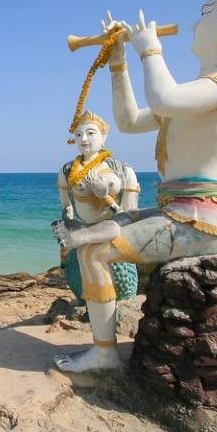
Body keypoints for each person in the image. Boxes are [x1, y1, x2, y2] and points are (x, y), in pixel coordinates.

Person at [52, 0, 217, 373]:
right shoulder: (196, 89)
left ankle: (103, 354)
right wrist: (119, 63)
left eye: (207, 11)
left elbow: (165, 96)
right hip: (176, 210)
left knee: (95, 250)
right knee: (93, 236)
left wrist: (149, 50)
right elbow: (132, 120)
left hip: (203, 219)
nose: (195, 22)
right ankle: (103, 347)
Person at [56, 110, 140, 303]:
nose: (83, 139)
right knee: (84, 290)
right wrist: (65, 233)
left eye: (91, 133)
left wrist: (106, 197)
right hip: (82, 238)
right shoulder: (67, 171)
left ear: (104, 136)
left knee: (122, 291)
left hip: (112, 237)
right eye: (78, 134)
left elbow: (130, 217)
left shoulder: (123, 169)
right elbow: (66, 207)